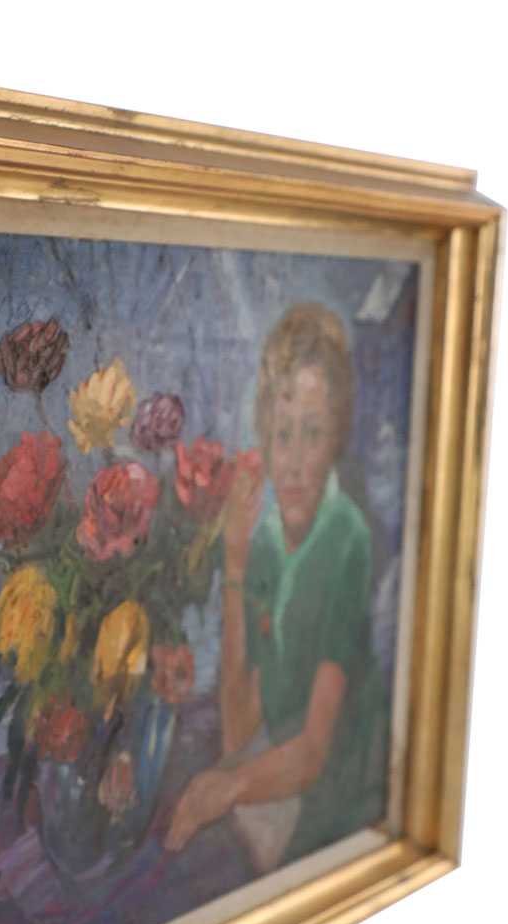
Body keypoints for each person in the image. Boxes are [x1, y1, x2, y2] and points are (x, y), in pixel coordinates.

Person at [165, 302, 389, 868]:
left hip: (346, 786)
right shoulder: (263, 541)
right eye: (282, 434)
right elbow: (239, 732)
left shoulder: (347, 539)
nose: (291, 462)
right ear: (263, 435)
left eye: (313, 434)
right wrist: (236, 565)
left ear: (336, 438)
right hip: (280, 764)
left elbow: (313, 755)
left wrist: (230, 786)